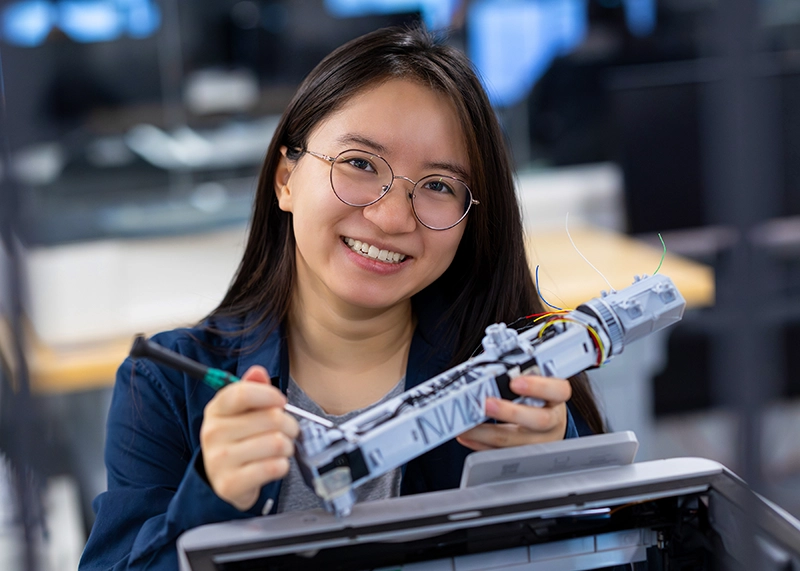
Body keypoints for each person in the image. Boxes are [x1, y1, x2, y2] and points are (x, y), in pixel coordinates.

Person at [79, 24, 604, 570]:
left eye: (439, 186)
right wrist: (211, 499)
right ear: (286, 178)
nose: (391, 217)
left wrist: (555, 469)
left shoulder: (516, 384)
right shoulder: (167, 383)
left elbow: (624, 542)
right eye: (359, 164)